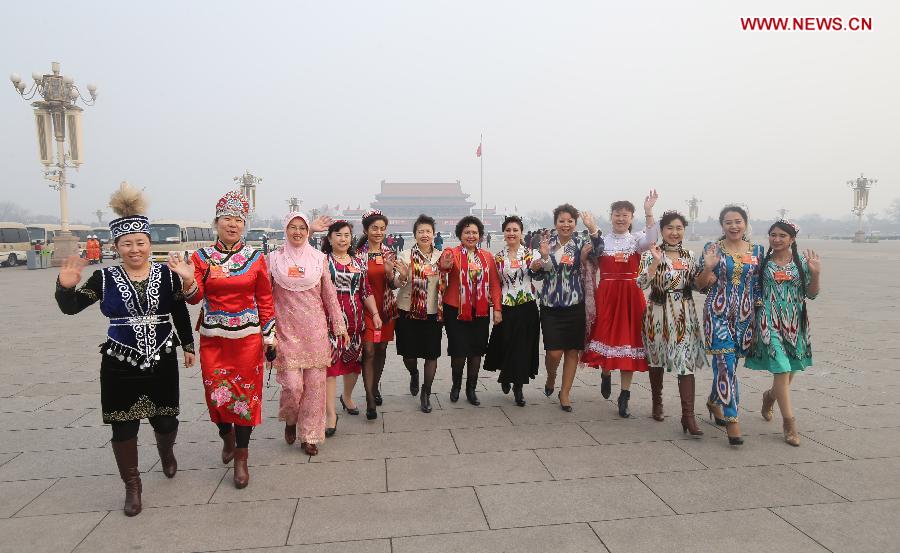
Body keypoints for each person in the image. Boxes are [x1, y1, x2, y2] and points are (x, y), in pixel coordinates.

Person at [56, 182, 194, 516]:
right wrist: (65, 286)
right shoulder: (103, 279)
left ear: (150, 244)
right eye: (127, 244)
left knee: (165, 420)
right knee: (123, 425)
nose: (134, 249)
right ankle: (132, 485)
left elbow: (179, 310)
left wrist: (188, 345)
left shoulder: (168, 274)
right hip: (120, 361)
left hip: (163, 357)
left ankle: (166, 452)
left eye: (140, 243)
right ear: (117, 246)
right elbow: (71, 307)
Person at [168, 190, 275, 488]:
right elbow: (195, 299)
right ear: (216, 222)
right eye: (227, 219)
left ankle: (241, 456)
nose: (232, 225)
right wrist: (188, 279)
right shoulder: (201, 258)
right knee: (216, 395)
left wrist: (270, 336)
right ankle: (225, 436)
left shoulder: (256, 258)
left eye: (238, 220)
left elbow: (265, 299)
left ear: (244, 225)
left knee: (246, 398)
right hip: (214, 339)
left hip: (248, 340)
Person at [266, 212, 349, 453]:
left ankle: (310, 435)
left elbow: (329, 295)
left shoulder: (318, 259)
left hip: (315, 332)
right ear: (286, 229)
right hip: (286, 332)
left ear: (307, 231)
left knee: (315, 388)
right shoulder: (273, 259)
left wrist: (339, 325)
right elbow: (264, 297)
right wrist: (266, 332)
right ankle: (291, 418)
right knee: (292, 386)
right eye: (293, 227)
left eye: (302, 227)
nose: (298, 232)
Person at [582, 191, 659, 418]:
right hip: (606, 295)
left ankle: (624, 395)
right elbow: (595, 248)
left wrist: (649, 212)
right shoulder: (602, 240)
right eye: (617, 214)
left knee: (629, 342)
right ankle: (606, 373)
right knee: (606, 338)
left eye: (625, 215)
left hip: (631, 295)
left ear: (631, 217)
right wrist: (592, 228)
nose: (621, 218)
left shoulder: (636, 240)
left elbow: (653, 238)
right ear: (611, 216)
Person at [694, 205, 765, 446]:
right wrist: (707, 268)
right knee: (724, 362)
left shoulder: (757, 250)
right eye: (728, 222)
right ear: (722, 225)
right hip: (717, 312)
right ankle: (733, 420)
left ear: (745, 223)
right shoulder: (711, 249)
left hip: (745, 316)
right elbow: (700, 286)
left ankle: (715, 401)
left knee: (730, 365)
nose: (733, 226)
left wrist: (759, 316)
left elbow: (757, 285)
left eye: (738, 221)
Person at [746, 220, 821, 446]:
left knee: (789, 373)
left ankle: (769, 397)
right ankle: (789, 424)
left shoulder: (802, 263)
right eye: (773, 235)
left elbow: (812, 294)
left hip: (795, 322)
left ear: (792, 239)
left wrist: (816, 274)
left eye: (782, 236)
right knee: (782, 368)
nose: (777, 239)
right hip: (768, 319)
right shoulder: (762, 263)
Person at [637, 210, 706, 434]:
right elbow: (641, 284)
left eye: (679, 228)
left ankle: (688, 416)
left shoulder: (689, 255)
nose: (674, 233)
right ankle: (657, 401)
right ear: (662, 231)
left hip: (684, 314)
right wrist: (655, 264)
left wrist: (709, 271)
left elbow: (697, 285)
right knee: (656, 360)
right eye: (670, 228)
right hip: (657, 313)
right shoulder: (650, 254)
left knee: (685, 363)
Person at [530, 204, 603, 411]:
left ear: (575, 223)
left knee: (572, 350)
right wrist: (541, 260)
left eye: (570, 221)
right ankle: (551, 377)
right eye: (562, 221)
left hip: (575, 305)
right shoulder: (546, 243)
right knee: (554, 353)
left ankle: (565, 393)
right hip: (551, 305)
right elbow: (536, 274)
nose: (566, 224)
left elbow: (599, 252)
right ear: (555, 223)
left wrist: (593, 229)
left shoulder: (581, 242)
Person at [322, 220, 381, 436]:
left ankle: (346, 397)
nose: (343, 239)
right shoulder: (323, 262)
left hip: (355, 322)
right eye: (338, 235)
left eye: (347, 235)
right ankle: (330, 414)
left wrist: (374, 314)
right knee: (330, 368)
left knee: (353, 365)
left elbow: (365, 292)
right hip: (330, 324)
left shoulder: (358, 264)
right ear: (329, 238)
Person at [438, 215, 502, 406]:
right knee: (458, 351)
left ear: (480, 235)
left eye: (474, 232)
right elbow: (444, 267)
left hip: (480, 312)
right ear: (460, 234)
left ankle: (471, 389)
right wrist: (445, 264)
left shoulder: (487, 257)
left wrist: (497, 308)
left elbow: (495, 285)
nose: (471, 236)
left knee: (476, 351)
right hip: (455, 310)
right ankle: (456, 386)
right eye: (467, 232)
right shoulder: (452, 252)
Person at [484, 215, 540, 406]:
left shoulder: (532, 255)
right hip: (506, 307)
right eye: (508, 230)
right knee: (506, 343)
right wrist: (496, 309)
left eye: (515, 230)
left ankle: (518, 387)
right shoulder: (497, 258)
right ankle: (506, 375)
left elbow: (541, 273)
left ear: (521, 232)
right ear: (504, 233)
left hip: (527, 306)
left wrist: (544, 260)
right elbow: (495, 285)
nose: (511, 233)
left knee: (522, 348)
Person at [394, 214, 443, 413]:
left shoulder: (441, 256)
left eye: (428, 231)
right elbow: (397, 282)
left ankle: (426, 391)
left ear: (433, 234)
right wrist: (403, 276)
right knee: (409, 354)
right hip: (408, 311)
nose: (424, 235)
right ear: (415, 235)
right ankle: (414, 373)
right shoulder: (405, 256)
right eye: (420, 231)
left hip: (433, 312)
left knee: (432, 354)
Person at [356, 210, 401, 417]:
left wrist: (400, 276)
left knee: (381, 349)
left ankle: (374, 387)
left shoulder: (389, 253)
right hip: (364, 308)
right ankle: (369, 398)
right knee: (369, 350)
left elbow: (392, 284)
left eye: (382, 229)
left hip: (386, 308)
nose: (379, 232)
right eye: (375, 228)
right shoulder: (357, 254)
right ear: (366, 229)